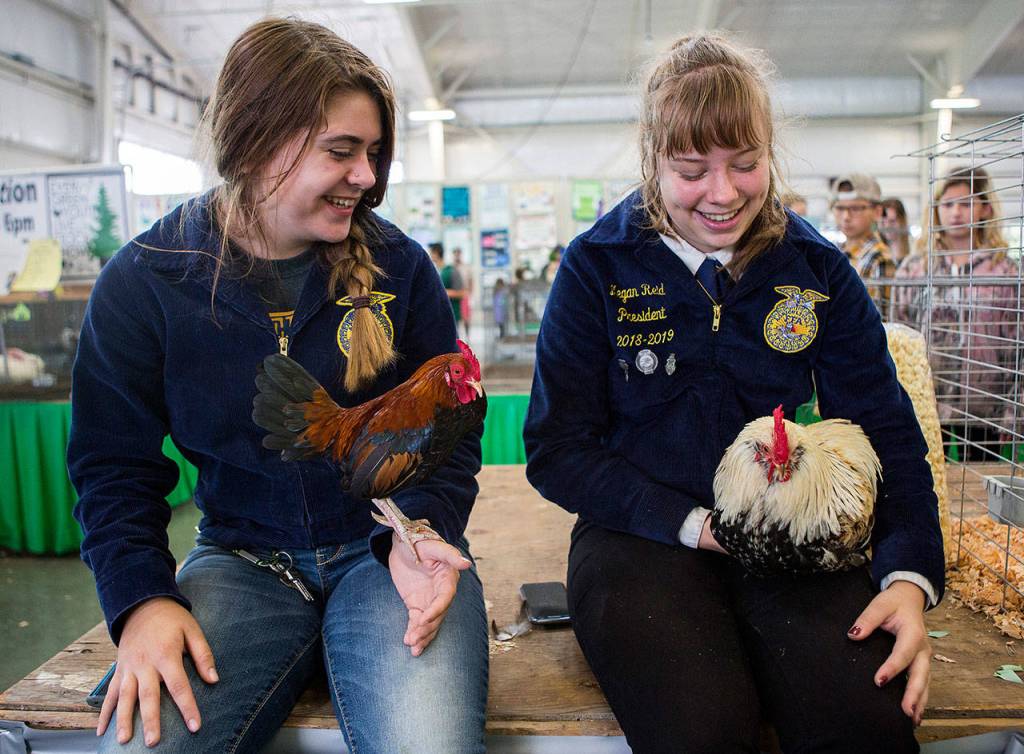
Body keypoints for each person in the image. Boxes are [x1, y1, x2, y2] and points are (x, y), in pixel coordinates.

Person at [68, 18, 487, 754]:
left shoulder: (402, 267)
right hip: (240, 562)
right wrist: (141, 602)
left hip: (386, 548)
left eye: (373, 153)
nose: (366, 175)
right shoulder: (146, 281)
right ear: (257, 142)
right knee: (147, 747)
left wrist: (421, 528)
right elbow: (111, 466)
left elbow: (451, 435)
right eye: (342, 151)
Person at [523, 32, 943, 754]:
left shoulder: (814, 266)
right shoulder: (598, 266)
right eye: (691, 171)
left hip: (795, 537)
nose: (724, 195)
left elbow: (889, 433)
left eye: (746, 164)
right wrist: (695, 524)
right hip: (639, 538)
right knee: (703, 730)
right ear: (652, 160)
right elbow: (557, 448)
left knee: (865, 721)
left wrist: (909, 576)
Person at [895, 167, 1019, 462]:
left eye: (966, 203)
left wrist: (1014, 411)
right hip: (923, 400)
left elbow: (1018, 347)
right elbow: (898, 332)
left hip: (984, 407)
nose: (956, 213)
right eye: (947, 204)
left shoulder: (1004, 271)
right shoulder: (915, 269)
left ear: (986, 207)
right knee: (927, 480)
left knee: (978, 488)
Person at [831, 173, 897, 316]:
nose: (846, 217)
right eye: (840, 208)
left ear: (877, 211)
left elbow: (882, 319)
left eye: (855, 209)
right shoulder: (833, 252)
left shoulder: (880, 258)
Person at [430, 241, 466, 332]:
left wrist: (441, 291)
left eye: (431, 252)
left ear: (436, 253)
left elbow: (461, 293)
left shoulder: (451, 271)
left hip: (451, 314)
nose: (429, 255)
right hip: (436, 315)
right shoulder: (432, 271)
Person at [880, 197, 911, 264]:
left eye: (892, 221)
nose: (887, 226)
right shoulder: (877, 253)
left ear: (902, 221)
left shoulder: (913, 252)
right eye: (883, 222)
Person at [454, 247, 473, 340]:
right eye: (455, 254)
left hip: (464, 295)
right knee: (456, 318)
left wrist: (469, 293)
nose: (457, 256)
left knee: (466, 318)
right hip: (455, 296)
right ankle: (457, 338)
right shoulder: (452, 268)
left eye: (458, 254)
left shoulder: (465, 268)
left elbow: (470, 281)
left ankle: (467, 336)